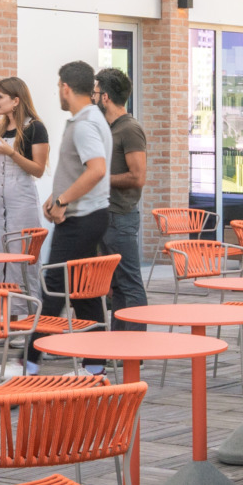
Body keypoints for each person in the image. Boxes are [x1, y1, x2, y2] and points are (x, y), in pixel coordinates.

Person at [33, 62, 113, 369]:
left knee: (53, 286)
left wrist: (63, 199)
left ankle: (28, 363)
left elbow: (97, 169)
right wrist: (58, 194)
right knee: (84, 292)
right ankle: (95, 366)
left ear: (66, 88)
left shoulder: (83, 124)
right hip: (91, 215)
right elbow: (84, 169)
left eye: (58, 87)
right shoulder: (93, 118)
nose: (58, 92)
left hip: (80, 219)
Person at [0, 76, 48, 291]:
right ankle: (4, 314)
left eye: (0, 97)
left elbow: (38, 169)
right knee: (0, 256)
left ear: (16, 100)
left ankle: (27, 314)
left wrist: (11, 153)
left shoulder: (35, 128)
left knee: (21, 256)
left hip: (22, 199)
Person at [95, 67, 149, 314]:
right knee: (115, 286)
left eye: (95, 93)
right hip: (106, 216)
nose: (93, 99)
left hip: (121, 217)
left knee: (130, 284)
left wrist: (98, 179)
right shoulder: (109, 128)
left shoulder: (130, 128)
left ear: (105, 97)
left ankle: (135, 350)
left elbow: (138, 177)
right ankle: (121, 347)